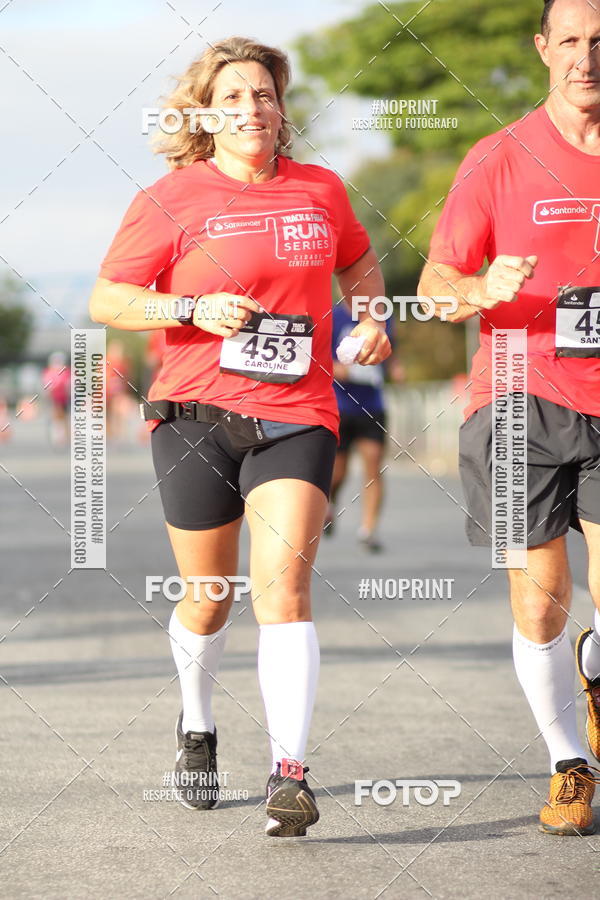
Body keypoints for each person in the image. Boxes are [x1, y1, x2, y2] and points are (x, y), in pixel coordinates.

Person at [89, 36, 390, 836]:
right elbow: (109, 300)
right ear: (206, 113)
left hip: (297, 411)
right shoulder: (172, 197)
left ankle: (290, 772)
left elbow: (359, 264)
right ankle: (197, 724)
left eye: (263, 94)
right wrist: (188, 308)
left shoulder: (321, 190)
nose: (250, 109)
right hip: (193, 415)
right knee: (210, 596)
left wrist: (371, 319)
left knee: (282, 587)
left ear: (281, 108)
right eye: (232, 98)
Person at [419, 0, 600, 835]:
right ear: (543, 49)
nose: (586, 57)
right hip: (521, 395)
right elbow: (435, 283)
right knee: (541, 605)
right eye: (570, 40)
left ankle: (594, 673)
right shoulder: (501, 157)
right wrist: (478, 290)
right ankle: (569, 762)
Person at [326, 300, 402, 551]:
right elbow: (315, 356)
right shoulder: (332, 315)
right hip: (340, 405)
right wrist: (336, 369)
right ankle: (330, 503)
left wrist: (395, 368)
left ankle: (368, 530)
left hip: (372, 403)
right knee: (338, 470)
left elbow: (391, 349)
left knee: (373, 462)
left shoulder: (382, 316)